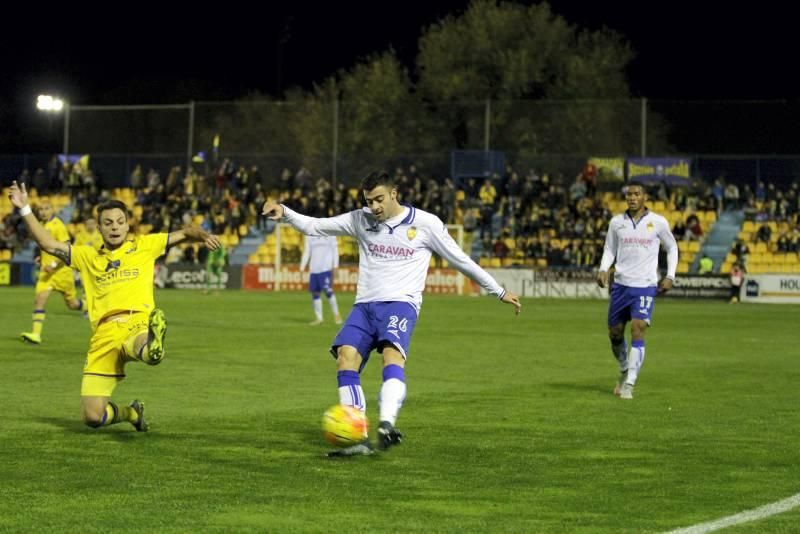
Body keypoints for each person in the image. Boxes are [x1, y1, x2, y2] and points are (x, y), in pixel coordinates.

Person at [262, 171, 521, 456]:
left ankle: (386, 424)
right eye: (369, 201)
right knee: (346, 358)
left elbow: (460, 260)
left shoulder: (425, 224)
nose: (374, 207)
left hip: (400, 304)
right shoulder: (360, 219)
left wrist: (497, 290)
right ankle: (357, 439)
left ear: (394, 193)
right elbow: (315, 226)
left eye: (379, 200)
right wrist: (284, 211)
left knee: (391, 355)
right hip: (364, 306)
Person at [8, 181, 220, 431]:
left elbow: (186, 232)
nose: (115, 227)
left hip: (136, 321)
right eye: (108, 223)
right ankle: (132, 413)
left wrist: (204, 236)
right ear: (99, 227)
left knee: (142, 344)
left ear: (128, 224)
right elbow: (48, 244)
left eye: (120, 221)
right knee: (92, 417)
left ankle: (152, 347)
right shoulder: (87, 256)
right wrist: (24, 209)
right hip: (103, 336)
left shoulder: (144, 246)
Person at [596, 181, 678, 400]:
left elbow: (672, 247)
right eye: (629, 194)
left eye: (636, 194)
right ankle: (624, 369)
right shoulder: (616, 223)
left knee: (638, 329)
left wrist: (670, 276)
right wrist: (604, 269)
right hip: (621, 285)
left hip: (645, 286)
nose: (631, 197)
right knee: (614, 334)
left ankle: (630, 383)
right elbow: (609, 248)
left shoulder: (658, 222)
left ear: (645, 198)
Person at [21, 197, 86, 344]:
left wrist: (54, 265)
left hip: (62, 273)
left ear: (52, 210)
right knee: (39, 300)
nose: (43, 212)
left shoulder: (58, 225)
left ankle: (89, 306)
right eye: (41, 210)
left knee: (72, 304)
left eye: (46, 209)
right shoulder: (42, 225)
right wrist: (40, 258)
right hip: (46, 274)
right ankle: (35, 334)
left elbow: (67, 248)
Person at [299, 235, 343, 325]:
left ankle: (337, 314)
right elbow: (307, 251)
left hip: (325, 268)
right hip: (314, 269)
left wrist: (335, 266)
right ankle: (319, 319)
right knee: (315, 293)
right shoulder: (309, 234)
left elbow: (335, 250)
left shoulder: (330, 233)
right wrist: (302, 267)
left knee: (328, 291)